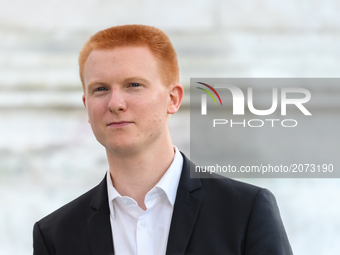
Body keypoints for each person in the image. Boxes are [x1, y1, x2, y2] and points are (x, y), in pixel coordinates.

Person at [33, 24, 293, 255]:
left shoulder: (245, 211)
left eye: (133, 85)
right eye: (100, 89)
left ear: (173, 99)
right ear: (86, 105)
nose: (115, 103)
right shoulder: (55, 236)